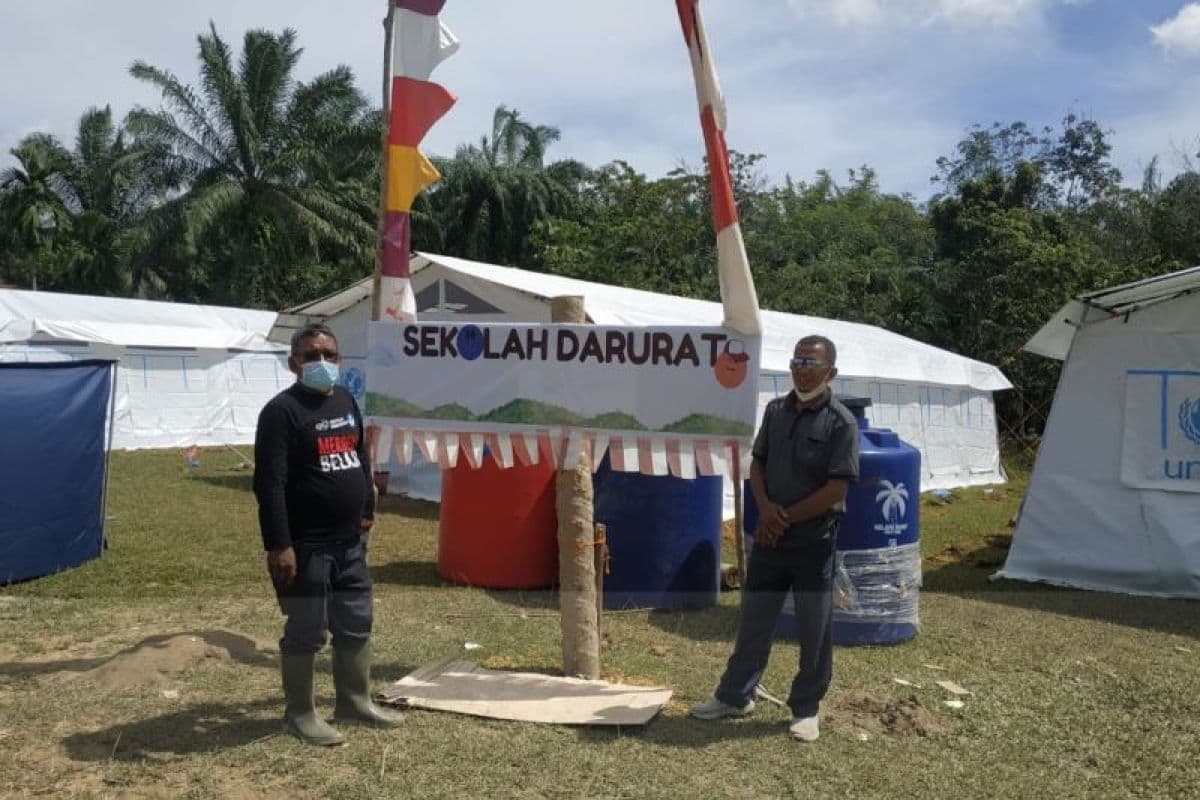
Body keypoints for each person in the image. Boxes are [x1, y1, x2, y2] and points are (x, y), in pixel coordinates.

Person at [691, 335, 859, 742]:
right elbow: (759, 464)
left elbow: (836, 489)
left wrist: (783, 518)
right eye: (797, 360)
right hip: (770, 537)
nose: (802, 368)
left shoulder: (840, 422)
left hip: (813, 542)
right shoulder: (775, 410)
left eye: (811, 362)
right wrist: (765, 509)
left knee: (813, 629)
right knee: (754, 620)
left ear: (830, 371)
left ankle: (805, 708)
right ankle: (735, 695)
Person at [253, 323, 403, 746]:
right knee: (307, 629)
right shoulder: (281, 412)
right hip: (305, 546)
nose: (321, 363)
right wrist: (279, 545)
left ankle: (354, 701)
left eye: (329, 355)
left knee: (356, 622)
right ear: (293, 364)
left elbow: (358, 456)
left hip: (349, 543)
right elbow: (270, 484)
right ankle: (299, 714)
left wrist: (367, 509)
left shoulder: (345, 399)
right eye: (310, 356)